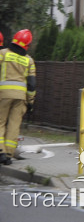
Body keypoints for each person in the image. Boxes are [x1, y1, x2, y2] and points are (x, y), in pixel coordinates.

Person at [0, 29, 36, 166]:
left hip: (3, 94)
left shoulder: (3, 54)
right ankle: (8, 154)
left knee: (1, 122)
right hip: (20, 98)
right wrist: (30, 101)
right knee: (14, 125)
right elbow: (32, 84)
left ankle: (1, 152)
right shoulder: (29, 60)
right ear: (27, 45)